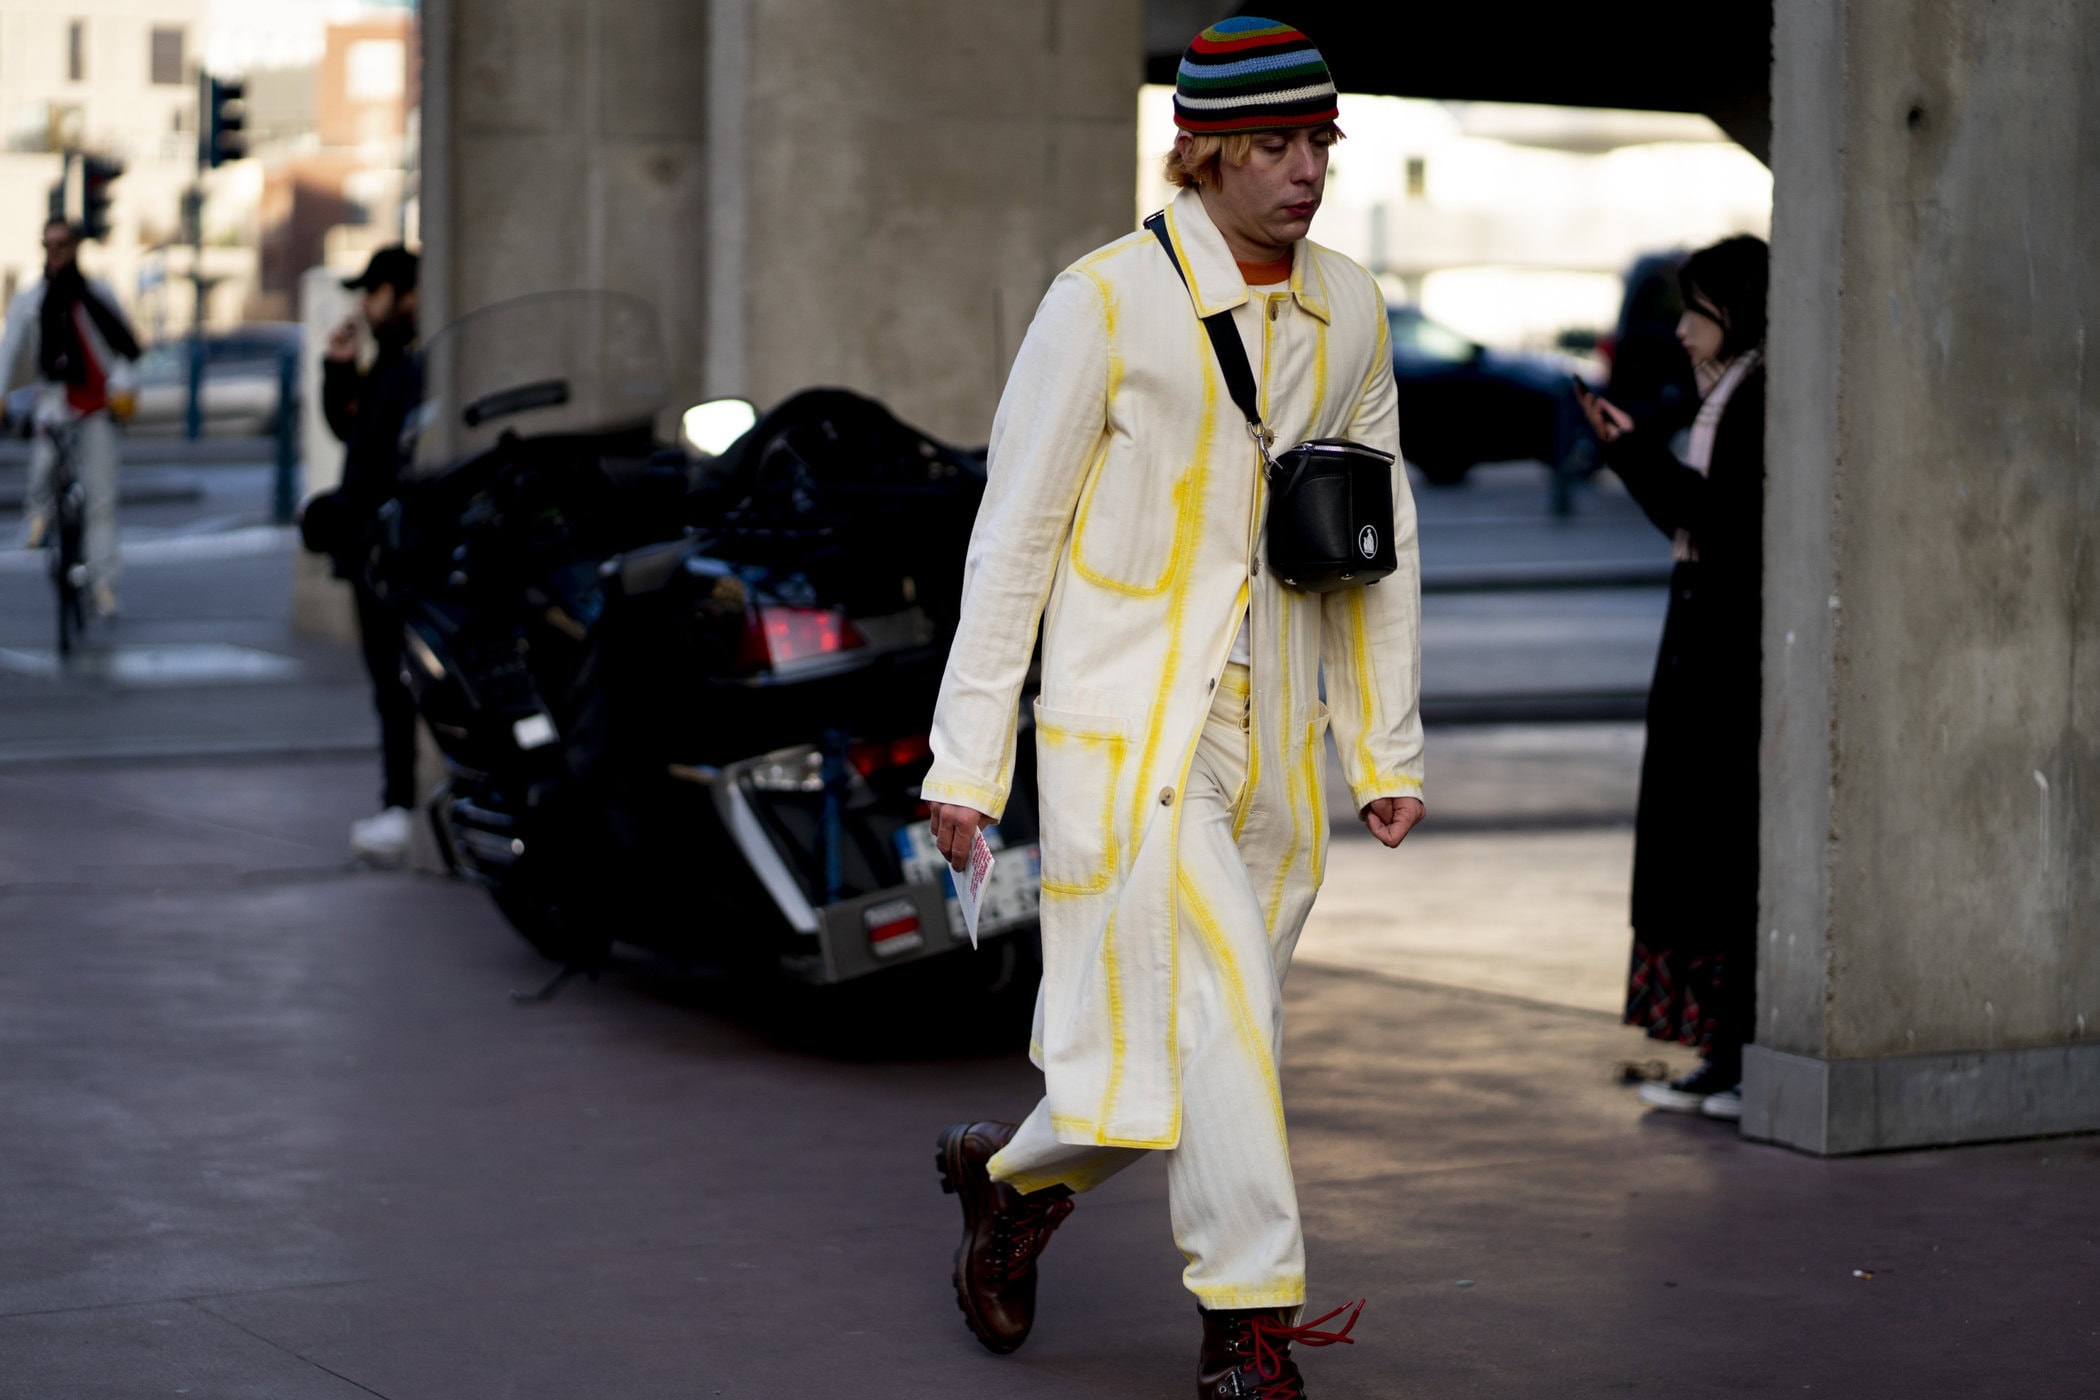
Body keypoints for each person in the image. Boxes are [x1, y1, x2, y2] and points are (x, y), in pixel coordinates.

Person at [923, 18, 1424, 1397]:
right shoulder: (1101, 301)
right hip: (1134, 738)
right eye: (1273, 145)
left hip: (1280, 742)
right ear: (1201, 153)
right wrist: (967, 762)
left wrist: (1383, 743)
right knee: (1220, 1014)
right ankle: (1248, 1329)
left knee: (1200, 1038)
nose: (1305, 170)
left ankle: (1012, 1185)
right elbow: (1014, 541)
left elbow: (1380, 536)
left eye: (1320, 141)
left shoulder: (1352, 307)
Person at [1575, 235, 1770, 1122]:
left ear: (1736, 311)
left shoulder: (1756, 397)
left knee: (1716, 857)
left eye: (1697, 313)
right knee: (1700, 853)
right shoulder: (1727, 396)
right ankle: (1722, 1056)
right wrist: (1631, 451)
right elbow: (1695, 522)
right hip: (1704, 648)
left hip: (1725, 659)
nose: (1684, 332)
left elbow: (1723, 522)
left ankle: (1734, 1058)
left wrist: (1637, 454)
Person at [324, 245, 423, 866]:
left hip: (397, 551)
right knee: (388, 682)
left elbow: (382, 453)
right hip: (375, 550)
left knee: (397, 682)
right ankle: (399, 804)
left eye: (375, 292)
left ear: (406, 296)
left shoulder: (412, 364)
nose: (366, 304)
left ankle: (403, 805)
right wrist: (338, 369)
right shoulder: (388, 363)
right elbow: (354, 431)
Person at [0, 217, 141, 618]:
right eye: (48, 245)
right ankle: (37, 518)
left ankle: (102, 584)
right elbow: (10, 349)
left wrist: (123, 389)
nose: (55, 253)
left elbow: (123, 347)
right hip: (55, 399)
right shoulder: (31, 299)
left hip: (97, 404)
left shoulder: (97, 293)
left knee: (100, 498)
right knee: (43, 464)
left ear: (76, 247)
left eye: (62, 244)